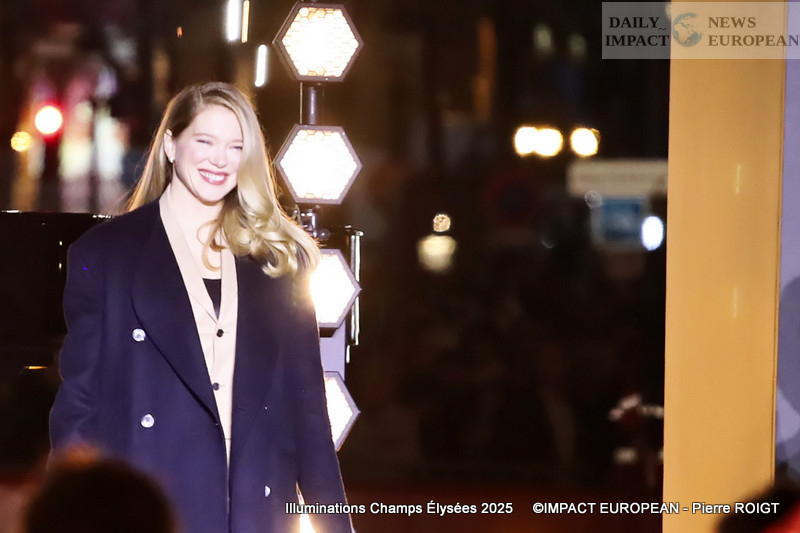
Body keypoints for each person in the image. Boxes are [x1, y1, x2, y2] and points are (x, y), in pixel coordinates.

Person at [49, 82, 352, 533]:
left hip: (254, 512)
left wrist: (336, 525)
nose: (220, 160)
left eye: (236, 147)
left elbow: (308, 417)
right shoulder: (108, 254)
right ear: (171, 145)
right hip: (152, 508)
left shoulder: (276, 263)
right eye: (205, 141)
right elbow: (80, 404)